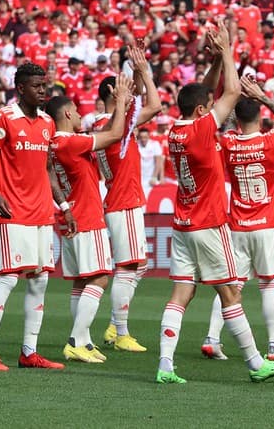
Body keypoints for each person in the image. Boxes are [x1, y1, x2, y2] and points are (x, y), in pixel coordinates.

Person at [156, 21, 274, 384]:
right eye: (209, 105)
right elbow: (232, 91)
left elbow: (204, 93)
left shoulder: (176, 130)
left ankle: (165, 365)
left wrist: (215, 60)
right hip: (208, 223)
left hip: (183, 224)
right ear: (204, 111)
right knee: (231, 291)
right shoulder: (203, 129)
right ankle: (255, 361)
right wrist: (229, 49)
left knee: (181, 293)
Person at [0, 62, 73, 371]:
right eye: (37, 86)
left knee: (40, 280)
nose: (43, 91)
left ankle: (29, 352)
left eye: (45, 85)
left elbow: (47, 170)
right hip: (13, 212)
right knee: (8, 279)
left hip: (42, 213)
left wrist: (64, 207)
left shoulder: (47, 123)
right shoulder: (4, 118)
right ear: (20, 89)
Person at [201, 74, 274, 362]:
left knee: (233, 286)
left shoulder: (229, 142)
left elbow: (227, 120)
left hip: (238, 224)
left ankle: (212, 339)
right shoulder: (272, 140)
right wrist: (261, 95)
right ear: (261, 116)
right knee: (269, 285)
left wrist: (239, 93)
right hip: (267, 223)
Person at [46, 74, 134, 364]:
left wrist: (62, 204)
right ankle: (75, 340)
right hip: (87, 217)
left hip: (71, 216)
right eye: (77, 111)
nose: (81, 115)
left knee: (81, 283)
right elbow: (115, 135)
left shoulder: (53, 144)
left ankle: (83, 341)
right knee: (99, 278)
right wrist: (121, 101)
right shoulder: (70, 142)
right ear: (68, 113)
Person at [94, 44, 162, 353]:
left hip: (122, 199)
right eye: (122, 86)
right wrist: (145, 73)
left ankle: (114, 323)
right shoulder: (114, 124)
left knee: (139, 265)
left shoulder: (101, 124)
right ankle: (120, 332)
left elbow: (143, 109)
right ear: (113, 91)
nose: (129, 90)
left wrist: (136, 73)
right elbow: (156, 106)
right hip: (124, 200)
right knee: (128, 266)